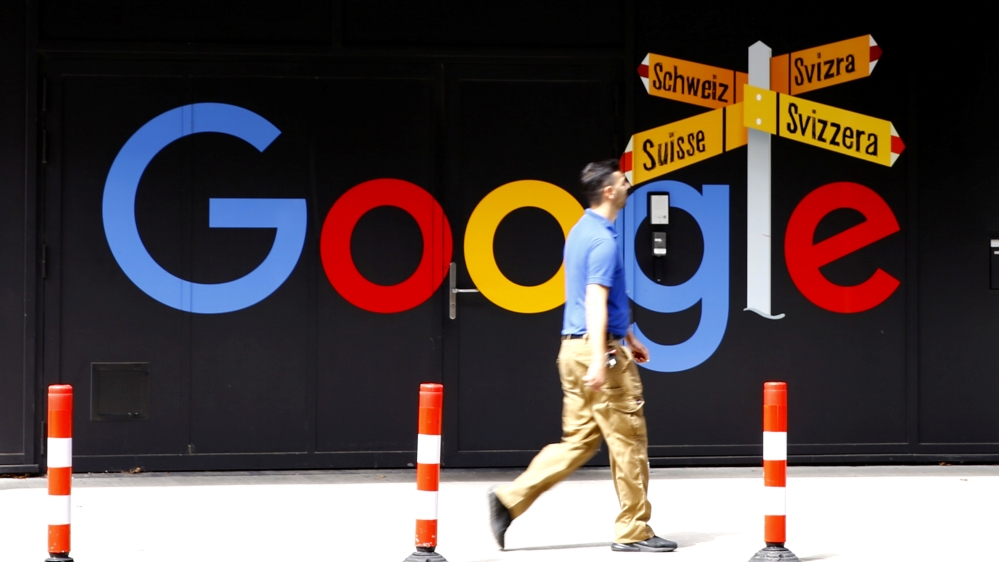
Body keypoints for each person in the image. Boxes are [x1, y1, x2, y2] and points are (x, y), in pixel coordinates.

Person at [488, 159, 676, 553]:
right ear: (609, 191)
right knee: (628, 442)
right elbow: (595, 298)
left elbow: (593, 297)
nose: (628, 185)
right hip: (598, 351)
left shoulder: (580, 232)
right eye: (623, 181)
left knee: (577, 442)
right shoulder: (604, 242)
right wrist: (600, 356)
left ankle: (509, 499)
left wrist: (629, 334)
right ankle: (634, 531)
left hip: (572, 348)